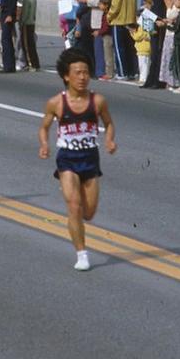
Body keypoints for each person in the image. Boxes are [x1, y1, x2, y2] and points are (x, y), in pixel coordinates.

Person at [39, 48, 116, 272]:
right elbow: (43, 128)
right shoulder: (56, 103)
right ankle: (81, 254)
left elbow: (109, 123)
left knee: (89, 212)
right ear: (66, 76)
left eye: (85, 72)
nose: (82, 77)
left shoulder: (98, 101)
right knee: (73, 205)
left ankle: (77, 224)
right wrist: (44, 144)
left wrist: (110, 140)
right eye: (77, 72)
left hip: (90, 160)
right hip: (67, 160)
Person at [106, 0, 137, 80]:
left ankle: (122, 73)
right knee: (130, 48)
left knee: (119, 49)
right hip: (130, 21)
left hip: (118, 21)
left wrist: (108, 16)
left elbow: (115, 6)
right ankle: (131, 71)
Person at [141, 0, 168, 88]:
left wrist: (156, 21)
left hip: (157, 20)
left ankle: (156, 80)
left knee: (157, 51)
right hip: (152, 18)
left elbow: (159, 7)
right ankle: (151, 79)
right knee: (153, 51)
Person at [19, 0, 39, 70]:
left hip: (26, 24)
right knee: (31, 45)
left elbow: (25, 12)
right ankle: (35, 63)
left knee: (26, 45)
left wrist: (21, 22)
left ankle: (31, 64)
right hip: (32, 23)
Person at [129, 21, 150, 85]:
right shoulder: (143, 26)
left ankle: (144, 79)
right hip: (142, 49)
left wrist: (132, 32)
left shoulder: (142, 26)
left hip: (144, 48)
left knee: (144, 65)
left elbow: (138, 37)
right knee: (143, 64)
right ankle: (143, 78)